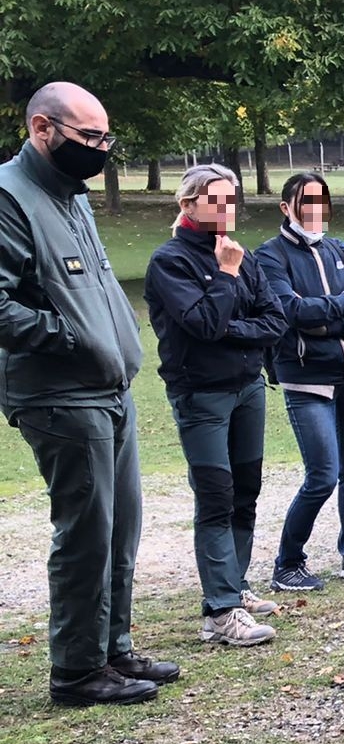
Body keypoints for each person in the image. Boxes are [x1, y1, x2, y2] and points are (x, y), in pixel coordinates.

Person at [0, 82, 179, 705]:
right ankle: (76, 672)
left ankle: (113, 648)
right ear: (42, 129)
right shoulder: (9, 196)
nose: (101, 150)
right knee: (85, 531)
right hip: (59, 393)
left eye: (107, 138)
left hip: (109, 389)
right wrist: (70, 338)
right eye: (89, 138)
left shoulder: (70, 195)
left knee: (120, 525)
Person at [144, 163, 289, 648]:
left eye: (232, 200)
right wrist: (226, 276)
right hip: (201, 394)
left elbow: (275, 320)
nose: (228, 210)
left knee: (246, 488)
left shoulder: (241, 255)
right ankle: (221, 612)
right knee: (215, 496)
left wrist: (233, 330)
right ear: (188, 205)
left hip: (248, 388)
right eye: (217, 201)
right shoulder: (170, 262)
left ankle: (233, 587)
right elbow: (203, 326)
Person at [256, 171, 344, 592]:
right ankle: (288, 563)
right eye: (306, 201)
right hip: (308, 382)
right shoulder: (270, 257)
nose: (316, 209)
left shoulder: (341, 250)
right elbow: (292, 313)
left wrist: (331, 316)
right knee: (323, 475)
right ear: (286, 208)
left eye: (322, 200)